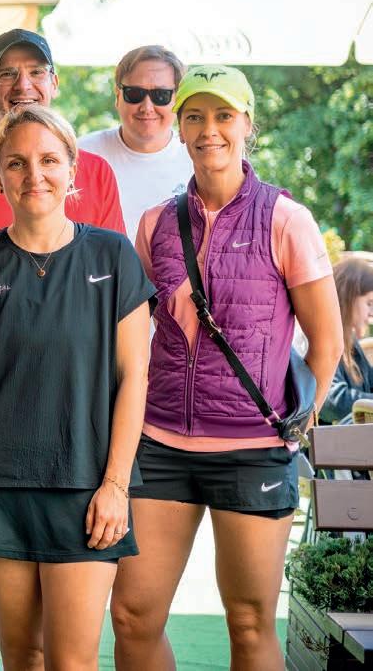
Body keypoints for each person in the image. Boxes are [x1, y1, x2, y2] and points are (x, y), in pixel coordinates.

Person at [111, 66, 343, 670]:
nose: (208, 129)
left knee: (248, 621)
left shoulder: (286, 218)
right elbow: (135, 332)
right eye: (194, 117)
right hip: (160, 443)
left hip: (252, 450)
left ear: (246, 125)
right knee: (133, 615)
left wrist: (296, 427)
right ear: (180, 129)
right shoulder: (156, 224)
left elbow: (327, 341)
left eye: (222, 116)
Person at [0, 27, 127, 671]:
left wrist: (115, 481)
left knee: (71, 656)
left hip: (79, 458)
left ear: (72, 170)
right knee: (9, 633)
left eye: (36, 71)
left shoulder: (107, 238)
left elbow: (127, 362)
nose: (33, 174)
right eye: (16, 163)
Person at [0, 28, 126, 252]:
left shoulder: (97, 172)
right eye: (7, 74)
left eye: (36, 72)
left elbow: (114, 264)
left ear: (54, 84)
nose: (23, 85)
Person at [79, 45, 194, 241]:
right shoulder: (81, 153)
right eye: (135, 94)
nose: (147, 107)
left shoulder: (197, 159)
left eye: (161, 95)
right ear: (118, 96)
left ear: (178, 100)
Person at [321, 257, 373, 424]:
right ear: (348, 298)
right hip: (327, 440)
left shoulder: (350, 341)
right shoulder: (322, 336)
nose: (371, 313)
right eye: (369, 303)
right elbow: (332, 403)